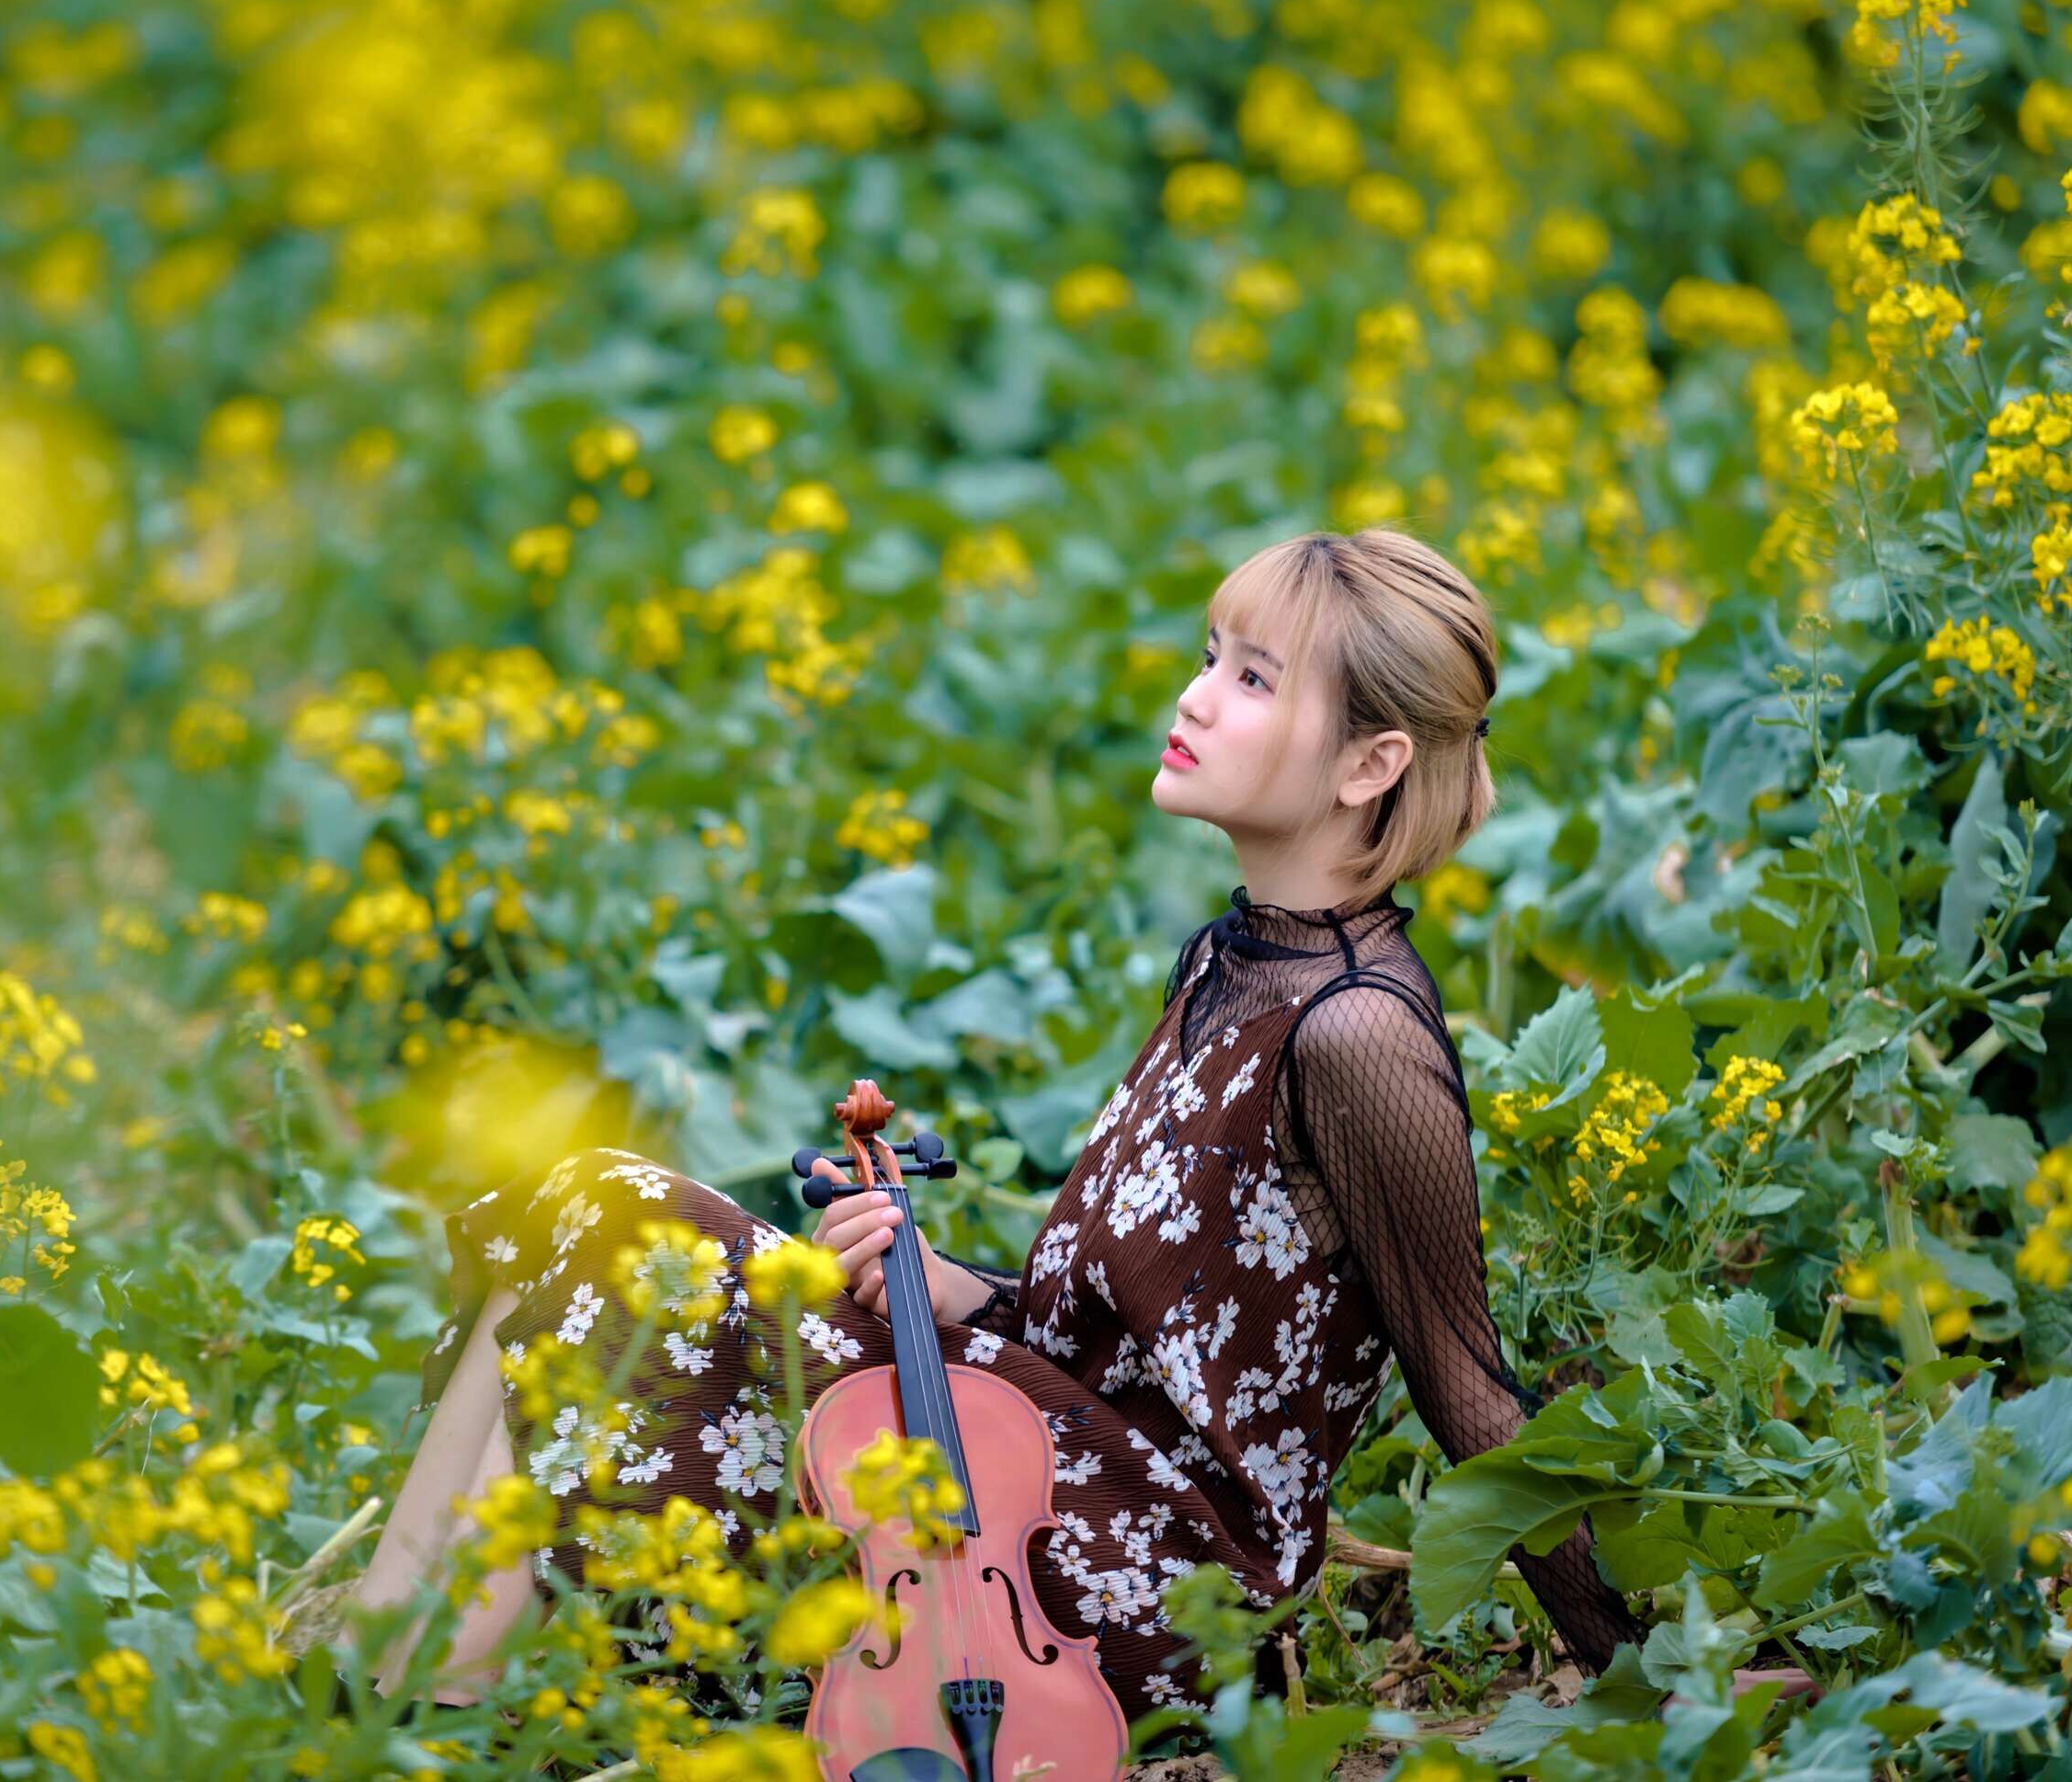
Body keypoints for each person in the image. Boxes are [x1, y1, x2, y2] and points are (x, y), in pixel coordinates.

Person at [347, 528, 1806, 1736]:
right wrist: (944, 1285)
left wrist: (1652, 1682)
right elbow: (1108, 1321)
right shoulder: (1239, 954)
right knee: (600, 1208)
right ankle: (383, 1668)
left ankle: (406, 1706)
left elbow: (1467, 1389)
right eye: (1211, 659)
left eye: (1252, 678)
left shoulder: (1359, 1036)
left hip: (1137, 1569)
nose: (1197, 696)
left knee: (625, 1243)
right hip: (1048, 1453)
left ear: (1369, 766)